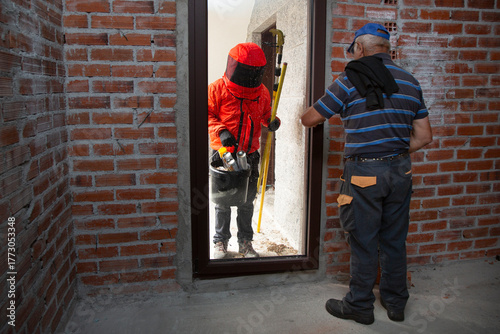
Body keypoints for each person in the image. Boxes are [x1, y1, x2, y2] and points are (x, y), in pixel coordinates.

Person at [301, 23, 432, 324]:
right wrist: (393, 152)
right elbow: (425, 137)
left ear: (359, 48)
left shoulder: (350, 79)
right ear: (386, 49)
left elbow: (310, 119)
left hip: (363, 173)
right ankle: (395, 302)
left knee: (363, 240)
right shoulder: (410, 82)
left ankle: (360, 305)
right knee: (394, 240)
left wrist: (303, 113)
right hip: (401, 170)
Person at [208, 42, 280, 259]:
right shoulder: (216, 88)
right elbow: (206, 114)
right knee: (223, 200)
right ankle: (220, 242)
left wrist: (272, 121)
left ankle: (245, 243)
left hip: (250, 154)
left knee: (247, 201)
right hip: (223, 153)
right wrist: (221, 132)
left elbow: (266, 114)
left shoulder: (262, 92)